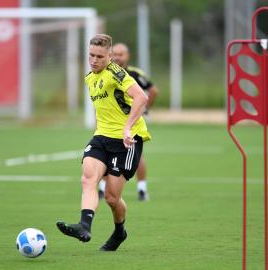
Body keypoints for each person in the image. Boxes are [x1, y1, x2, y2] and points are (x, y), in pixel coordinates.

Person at [56, 34, 151, 251]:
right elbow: (103, 109)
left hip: (127, 141)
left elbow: (142, 98)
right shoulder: (90, 77)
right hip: (102, 137)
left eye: (99, 56)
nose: (94, 60)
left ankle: (120, 232)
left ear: (109, 56)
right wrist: (98, 134)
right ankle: (84, 226)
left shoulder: (116, 73)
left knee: (111, 197)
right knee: (88, 178)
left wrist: (127, 128)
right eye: (91, 55)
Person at [98, 43, 158, 201]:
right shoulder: (105, 73)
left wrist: (144, 110)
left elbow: (152, 90)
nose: (117, 57)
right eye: (115, 54)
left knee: (137, 155)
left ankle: (142, 188)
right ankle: (103, 188)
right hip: (110, 124)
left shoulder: (134, 74)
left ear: (128, 56)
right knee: (105, 153)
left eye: (121, 54)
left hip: (130, 124)